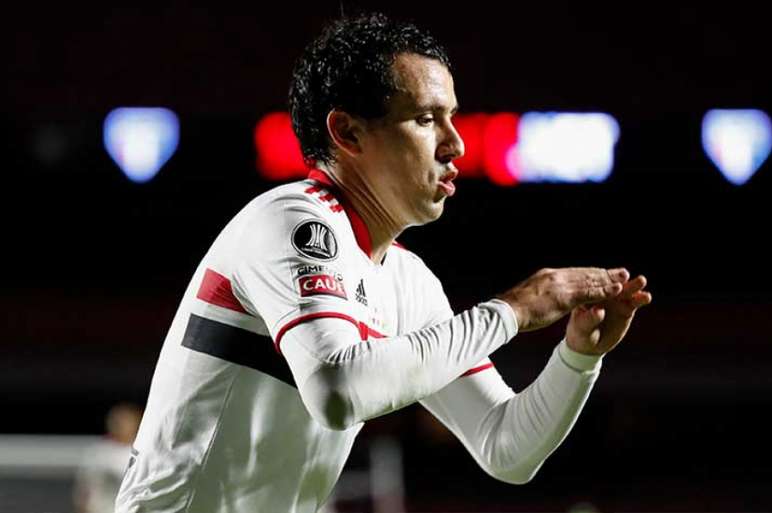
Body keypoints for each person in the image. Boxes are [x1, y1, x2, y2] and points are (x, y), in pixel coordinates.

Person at [115, 12, 651, 513]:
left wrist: (578, 358)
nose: (456, 144)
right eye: (424, 119)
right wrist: (513, 310)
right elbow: (338, 390)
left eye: (452, 118)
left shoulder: (406, 280)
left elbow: (504, 445)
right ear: (347, 133)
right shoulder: (291, 222)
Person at [74, 403, 143, 513]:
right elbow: (85, 491)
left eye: (126, 421)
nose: (121, 425)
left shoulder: (142, 452)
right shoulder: (99, 452)